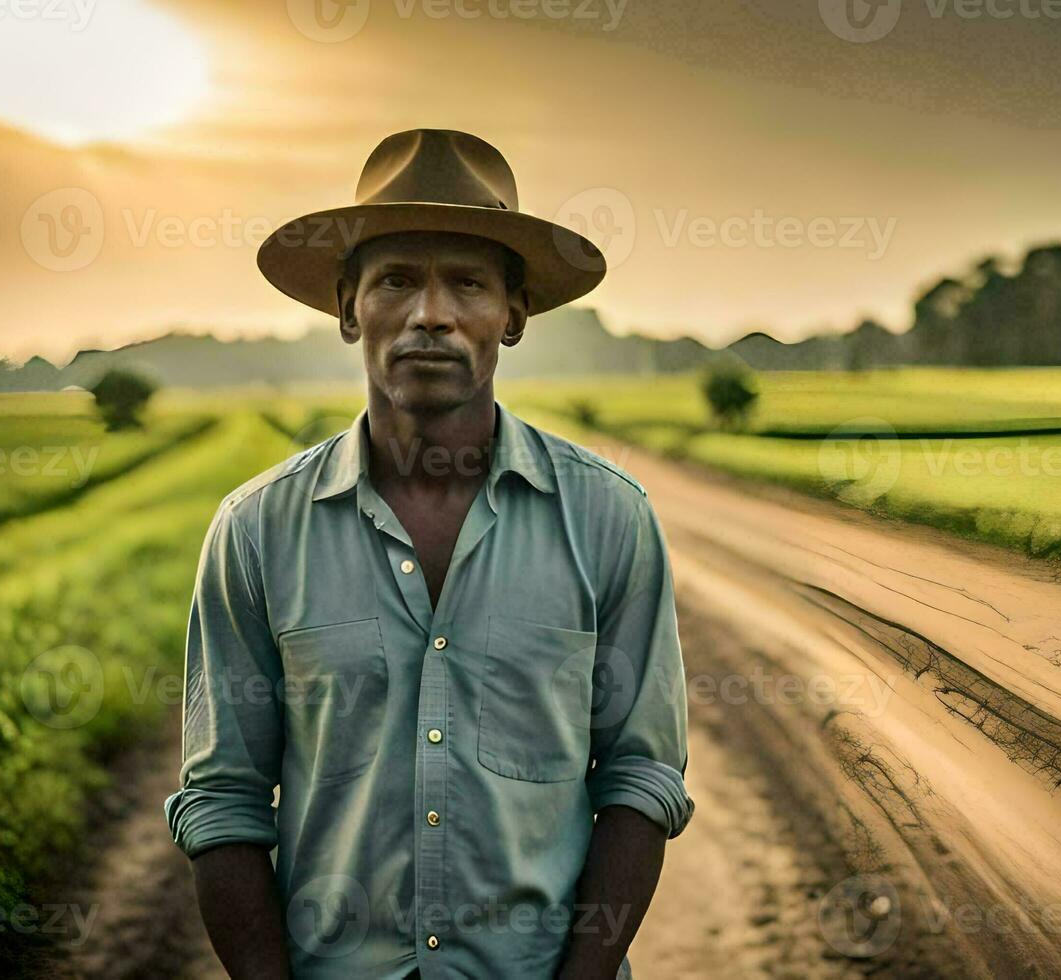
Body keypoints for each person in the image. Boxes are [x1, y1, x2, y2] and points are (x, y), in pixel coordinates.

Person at [164, 128, 694, 979]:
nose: (431, 314)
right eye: (397, 280)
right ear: (347, 308)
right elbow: (222, 800)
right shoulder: (257, 531)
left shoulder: (608, 518)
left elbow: (641, 777)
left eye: (469, 283)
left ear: (513, 315)